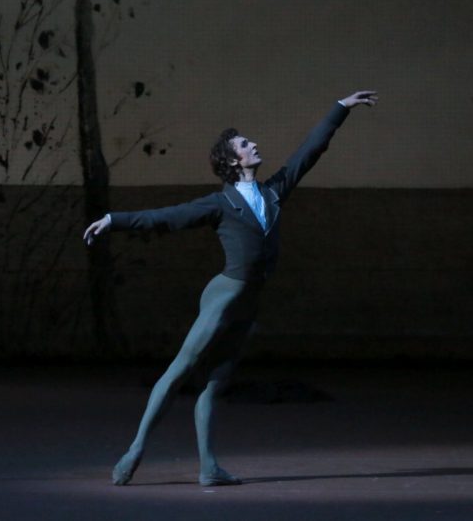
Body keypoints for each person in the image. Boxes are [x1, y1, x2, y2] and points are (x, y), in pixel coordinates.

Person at [83, 90, 378, 486]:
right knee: (180, 370)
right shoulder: (218, 204)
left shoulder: (273, 193)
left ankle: (208, 468)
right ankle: (135, 448)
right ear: (232, 160)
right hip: (224, 296)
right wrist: (113, 219)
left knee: (214, 383)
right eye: (244, 144)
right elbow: (167, 218)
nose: (254, 144)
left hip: (247, 304)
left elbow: (309, 151)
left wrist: (341, 108)